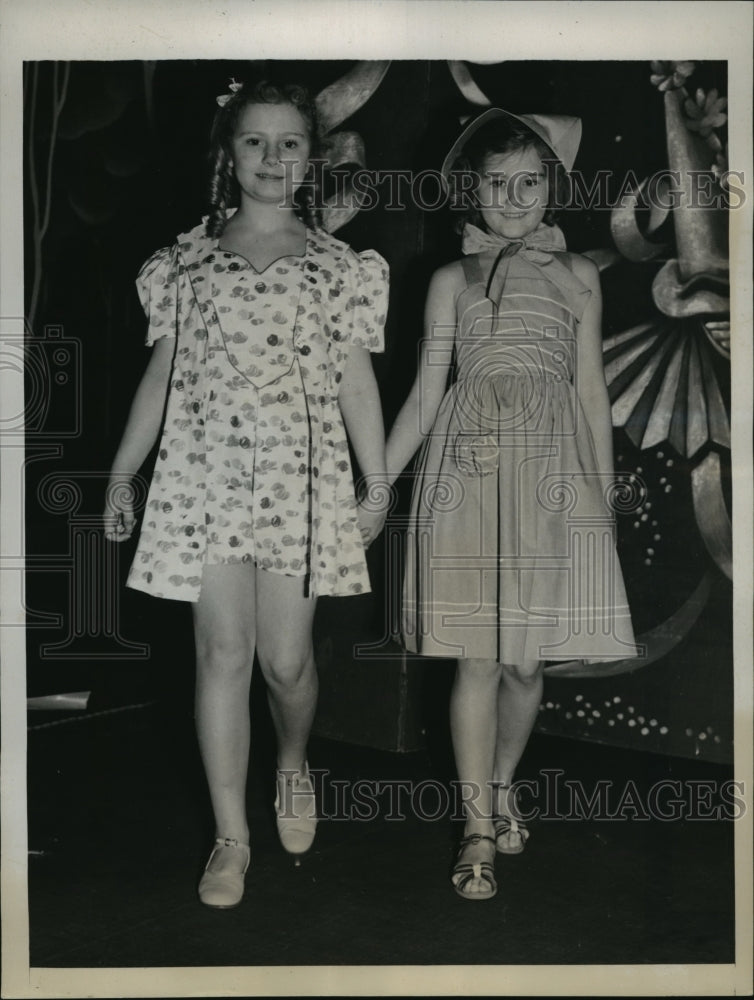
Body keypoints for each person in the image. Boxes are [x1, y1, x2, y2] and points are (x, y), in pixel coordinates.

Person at [103, 79, 389, 909]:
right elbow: (160, 379)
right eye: (255, 142)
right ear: (230, 153)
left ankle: (292, 759)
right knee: (221, 655)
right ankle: (232, 837)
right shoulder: (184, 260)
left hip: (301, 484)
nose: (272, 158)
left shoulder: (340, 267)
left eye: (289, 142)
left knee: (286, 663)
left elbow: (356, 384)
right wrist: (124, 473)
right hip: (205, 480)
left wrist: (376, 484)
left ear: (313, 155)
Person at [382, 108, 637, 900]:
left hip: (551, 478)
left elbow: (591, 392)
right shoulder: (450, 280)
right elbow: (426, 394)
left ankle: (500, 782)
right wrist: (378, 482)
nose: (514, 196)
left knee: (526, 666)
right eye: (498, 183)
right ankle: (477, 829)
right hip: (469, 475)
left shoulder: (582, 277)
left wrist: (598, 491)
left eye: (530, 181)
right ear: (475, 190)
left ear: (553, 187)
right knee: (477, 658)